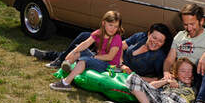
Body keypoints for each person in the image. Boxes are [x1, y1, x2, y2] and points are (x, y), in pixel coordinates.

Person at [104, 3, 205, 103]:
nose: (188, 28)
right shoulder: (180, 36)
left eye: (192, 24)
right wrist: (167, 73)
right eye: (185, 24)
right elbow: (169, 59)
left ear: (201, 21)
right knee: (161, 93)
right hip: (177, 76)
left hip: (196, 76)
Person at [31, 23, 172, 78]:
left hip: (117, 70)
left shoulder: (158, 56)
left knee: (86, 51)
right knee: (86, 36)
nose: (155, 42)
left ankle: (56, 58)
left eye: (160, 41)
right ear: (149, 34)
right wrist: (121, 61)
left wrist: (122, 68)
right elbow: (122, 46)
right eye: (154, 37)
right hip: (116, 60)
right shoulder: (140, 37)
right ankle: (58, 59)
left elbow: (157, 77)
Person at [49, 10, 124, 91]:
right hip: (100, 60)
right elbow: (86, 43)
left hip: (110, 66)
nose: (113, 29)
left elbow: (110, 57)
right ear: (104, 23)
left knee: (84, 60)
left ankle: (65, 83)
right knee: (78, 51)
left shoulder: (116, 38)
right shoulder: (99, 33)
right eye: (110, 25)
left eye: (116, 27)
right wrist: (73, 52)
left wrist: (94, 57)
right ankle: (67, 67)